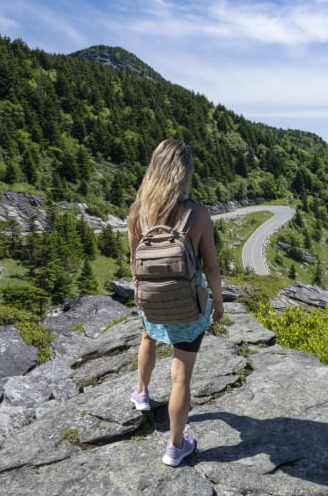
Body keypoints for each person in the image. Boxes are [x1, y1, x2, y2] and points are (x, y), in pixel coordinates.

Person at [127, 139, 224, 467]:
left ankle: (141, 393)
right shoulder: (196, 214)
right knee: (181, 376)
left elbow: (133, 263)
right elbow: (211, 266)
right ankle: (175, 446)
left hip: (151, 302)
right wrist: (219, 303)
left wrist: (144, 298)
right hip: (189, 308)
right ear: (184, 173)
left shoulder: (138, 212)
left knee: (147, 338)